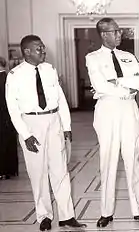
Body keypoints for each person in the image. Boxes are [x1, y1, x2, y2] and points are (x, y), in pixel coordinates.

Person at [5, 35, 86, 231]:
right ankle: (44, 216)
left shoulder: (49, 70)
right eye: (39, 48)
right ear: (27, 51)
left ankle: (67, 216)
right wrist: (25, 135)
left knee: (61, 171)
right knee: (38, 173)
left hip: (53, 121)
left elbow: (61, 100)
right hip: (31, 123)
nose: (43, 51)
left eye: (43, 47)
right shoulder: (15, 75)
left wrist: (66, 127)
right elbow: (13, 109)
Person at [85, 17, 139, 227]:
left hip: (129, 108)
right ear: (104, 34)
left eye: (119, 31)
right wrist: (126, 85)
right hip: (108, 109)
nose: (120, 34)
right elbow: (99, 85)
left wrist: (119, 81)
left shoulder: (128, 56)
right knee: (108, 161)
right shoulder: (92, 58)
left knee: (133, 159)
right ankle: (106, 212)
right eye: (115, 31)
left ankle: (138, 209)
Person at [0, 56, 18, 179]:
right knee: (9, 142)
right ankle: (10, 170)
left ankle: (2, 170)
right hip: (10, 115)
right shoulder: (9, 77)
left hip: (2, 116)